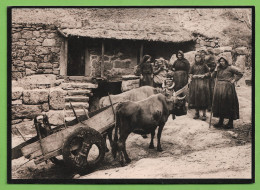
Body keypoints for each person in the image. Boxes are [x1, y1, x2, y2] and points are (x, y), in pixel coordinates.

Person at [212, 57, 243, 129]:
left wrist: (234, 80)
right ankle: (220, 121)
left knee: (229, 104)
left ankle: (230, 123)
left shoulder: (230, 68)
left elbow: (240, 73)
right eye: (220, 61)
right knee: (220, 104)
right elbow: (212, 76)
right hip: (219, 88)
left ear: (226, 61)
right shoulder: (218, 68)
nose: (222, 62)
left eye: (223, 61)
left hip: (228, 88)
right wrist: (215, 69)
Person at [189, 53, 211, 121]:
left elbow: (209, 73)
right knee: (196, 98)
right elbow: (190, 73)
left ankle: (204, 114)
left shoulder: (204, 65)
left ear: (201, 58)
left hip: (202, 84)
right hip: (195, 84)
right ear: (195, 58)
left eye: (199, 57)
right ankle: (197, 113)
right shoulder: (193, 65)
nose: (197, 59)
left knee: (203, 98)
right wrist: (192, 76)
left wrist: (204, 75)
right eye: (196, 57)